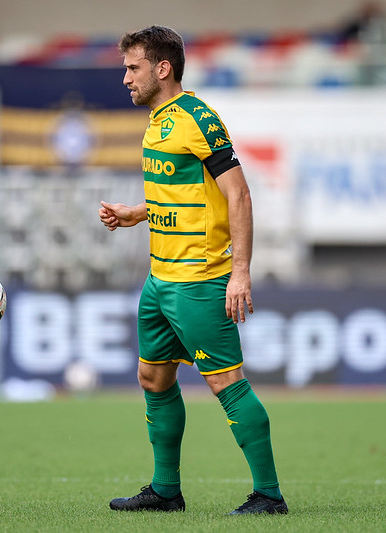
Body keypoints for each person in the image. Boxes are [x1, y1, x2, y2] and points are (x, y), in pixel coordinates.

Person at [98, 26, 287, 516]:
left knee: (226, 383)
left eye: (133, 68)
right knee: (153, 379)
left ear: (163, 69)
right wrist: (136, 213)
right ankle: (166, 491)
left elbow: (238, 194)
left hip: (200, 280)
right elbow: (183, 191)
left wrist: (240, 272)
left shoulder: (197, 118)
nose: (125, 79)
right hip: (160, 279)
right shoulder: (158, 121)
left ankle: (268, 494)